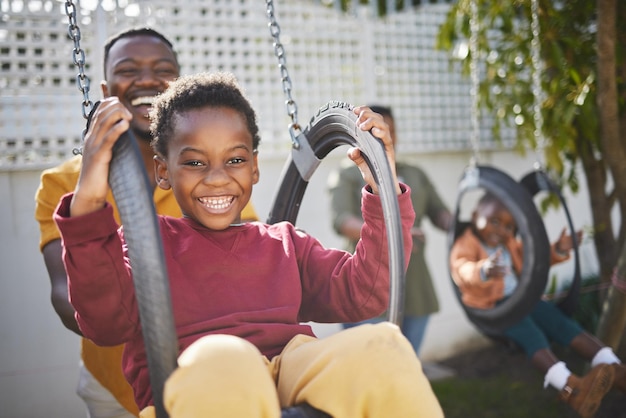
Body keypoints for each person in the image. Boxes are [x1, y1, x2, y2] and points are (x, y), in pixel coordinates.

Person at [52, 71, 444, 418]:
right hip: (197, 382)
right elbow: (103, 323)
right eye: (194, 162)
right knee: (226, 356)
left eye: (235, 160)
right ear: (163, 171)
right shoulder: (145, 246)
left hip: (289, 366)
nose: (218, 178)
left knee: (381, 343)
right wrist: (88, 196)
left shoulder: (283, 244)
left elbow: (367, 292)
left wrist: (383, 184)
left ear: (254, 166)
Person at [34, 28, 258, 418]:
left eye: (162, 69)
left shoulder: (211, 172)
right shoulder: (67, 183)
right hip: (114, 387)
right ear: (106, 88)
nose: (147, 80)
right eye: (129, 69)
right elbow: (65, 296)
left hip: (202, 375)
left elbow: (249, 263)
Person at [449, 192, 625, 418]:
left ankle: (616, 368)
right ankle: (572, 389)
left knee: (563, 325)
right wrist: (483, 269)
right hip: (496, 308)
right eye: (494, 222)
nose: (501, 230)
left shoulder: (510, 243)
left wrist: (559, 249)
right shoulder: (466, 244)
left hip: (525, 298)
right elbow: (462, 269)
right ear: (475, 216)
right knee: (534, 338)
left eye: (508, 227)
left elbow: (533, 258)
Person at [327, 104, 452, 355]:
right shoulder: (348, 174)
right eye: (377, 130)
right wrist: (392, 232)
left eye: (390, 131)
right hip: (366, 283)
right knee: (367, 370)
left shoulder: (414, 174)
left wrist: (467, 226)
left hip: (415, 287)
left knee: (406, 365)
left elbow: (440, 213)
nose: (386, 137)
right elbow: (341, 220)